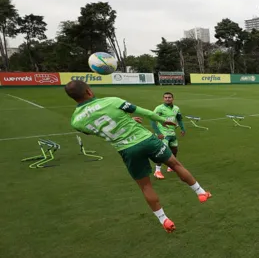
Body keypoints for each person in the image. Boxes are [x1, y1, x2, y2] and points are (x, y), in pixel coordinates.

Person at [64, 80, 211, 233]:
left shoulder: (76, 121)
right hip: (147, 140)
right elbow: (144, 112)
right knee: (175, 165)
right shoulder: (112, 101)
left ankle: (164, 220)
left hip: (127, 150)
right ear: (89, 91)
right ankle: (200, 193)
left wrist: (124, 121)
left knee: (145, 186)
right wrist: (162, 120)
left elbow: (99, 129)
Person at [150, 92, 185, 179]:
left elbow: (179, 119)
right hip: (163, 134)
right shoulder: (159, 108)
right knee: (162, 152)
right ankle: (157, 171)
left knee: (174, 150)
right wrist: (158, 133)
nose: (167, 99)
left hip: (172, 133)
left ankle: (171, 167)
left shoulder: (176, 108)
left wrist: (182, 128)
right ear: (163, 99)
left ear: (173, 99)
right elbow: (152, 120)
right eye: (165, 97)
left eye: (169, 97)